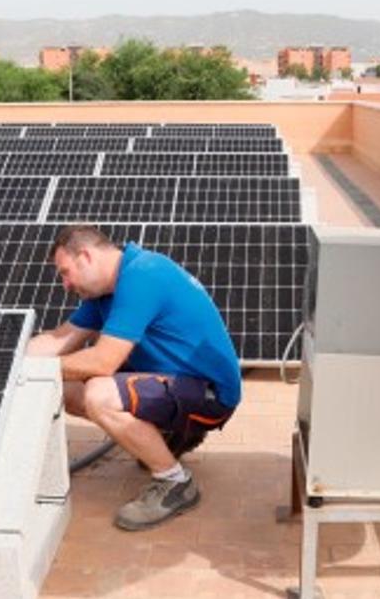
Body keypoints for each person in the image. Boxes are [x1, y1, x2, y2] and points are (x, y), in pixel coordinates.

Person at [27, 224, 241, 531]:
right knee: (67, 388)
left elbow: (103, 362)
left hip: (211, 394)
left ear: (85, 256)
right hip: (174, 379)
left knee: (98, 394)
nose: (65, 284)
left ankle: (175, 483)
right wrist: (8, 360)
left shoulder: (142, 276)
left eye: (65, 272)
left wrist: (37, 370)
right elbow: (60, 339)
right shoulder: (106, 292)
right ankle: (170, 436)